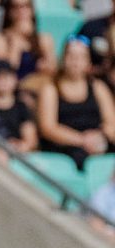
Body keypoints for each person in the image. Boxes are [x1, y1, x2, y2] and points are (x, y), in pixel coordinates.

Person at [38, 35, 115, 169]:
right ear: (63, 58)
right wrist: (81, 140)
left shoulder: (98, 87)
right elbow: (48, 128)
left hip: (97, 142)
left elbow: (111, 122)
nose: (75, 61)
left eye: (81, 57)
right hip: (65, 147)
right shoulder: (51, 89)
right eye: (71, 56)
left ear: (88, 62)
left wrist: (100, 137)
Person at [0, 0, 56, 98]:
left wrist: (43, 51)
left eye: (26, 6)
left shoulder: (44, 38)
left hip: (39, 89)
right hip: (12, 92)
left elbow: (54, 69)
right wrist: (15, 43)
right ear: (9, 11)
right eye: (16, 7)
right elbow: (4, 72)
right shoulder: (0, 39)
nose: (21, 11)